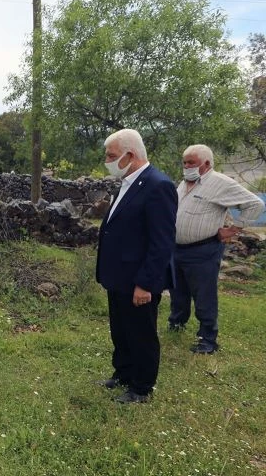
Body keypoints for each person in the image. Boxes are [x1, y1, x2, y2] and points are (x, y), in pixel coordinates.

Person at [95, 129, 177, 404]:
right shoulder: (128, 183)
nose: (107, 161)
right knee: (121, 329)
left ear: (130, 155)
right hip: (119, 275)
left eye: (111, 156)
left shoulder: (157, 185)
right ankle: (124, 373)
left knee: (141, 333)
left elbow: (161, 242)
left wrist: (146, 283)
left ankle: (141, 387)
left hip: (138, 278)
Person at [167, 144, 265, 354]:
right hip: (177, 249)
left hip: (203, 249)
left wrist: (234, 229)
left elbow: (255, 204)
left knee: (204, 295)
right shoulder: (184, 184)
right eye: (184, 162)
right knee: (178, 291)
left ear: (207, 163)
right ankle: (176, 324)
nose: (186, 166)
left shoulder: (220, 183)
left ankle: (207, 340)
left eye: (191, 162)